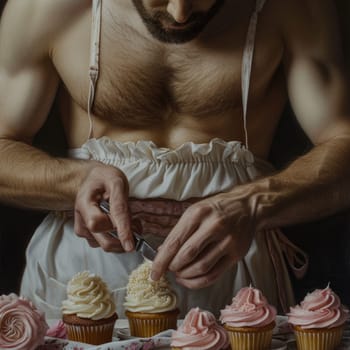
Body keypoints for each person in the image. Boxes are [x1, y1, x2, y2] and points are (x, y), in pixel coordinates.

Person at [0, 0, 349, 319]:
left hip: (236, 283)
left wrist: (253, 204)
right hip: (82, 278)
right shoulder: (45, 7)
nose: (180, 13)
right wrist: (73, 182)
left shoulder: (294, 7)